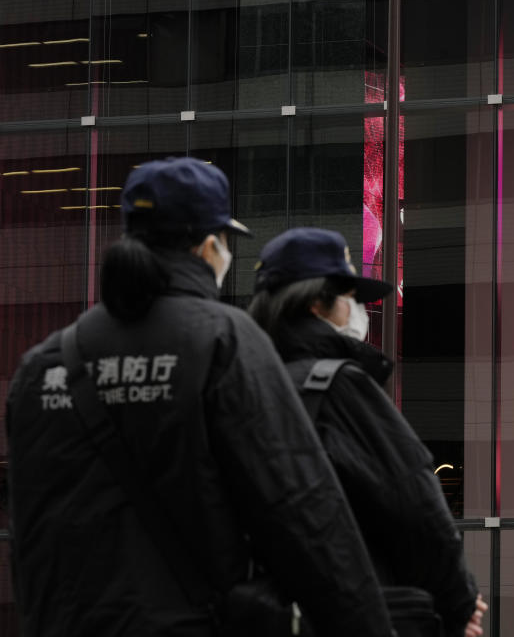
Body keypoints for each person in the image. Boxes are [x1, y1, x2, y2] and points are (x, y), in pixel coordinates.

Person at [5, 158, 392, 637]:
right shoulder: (225, 343)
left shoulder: (42, 366)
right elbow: (304, 508)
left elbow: (26, 533)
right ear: (211, 246)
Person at [248, 227, 486, 637]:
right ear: (318, 305)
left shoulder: (245, 388)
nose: (358, 310)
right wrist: (458, 602)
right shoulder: (338, 385)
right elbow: (414, 501)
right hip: (364, 608)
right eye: (352, 298)